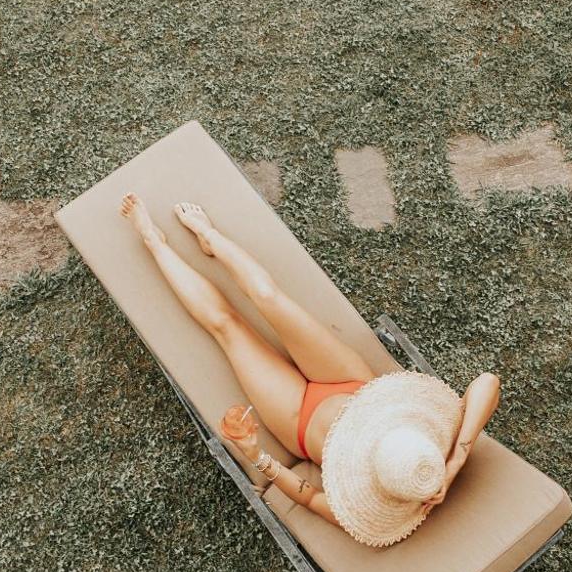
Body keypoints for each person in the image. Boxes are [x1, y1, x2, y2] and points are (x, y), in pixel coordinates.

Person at [120, 193, 501, 548]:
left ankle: (154, 242)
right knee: (268, 297)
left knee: (227, 327)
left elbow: (309, 497)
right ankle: (210, 238)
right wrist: (455, 461)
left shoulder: (381, 507)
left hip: (298, 420)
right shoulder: (431, 458)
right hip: (350, 383)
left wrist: (257, 456)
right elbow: (487, 383)